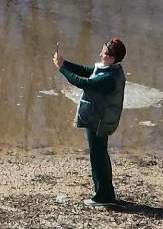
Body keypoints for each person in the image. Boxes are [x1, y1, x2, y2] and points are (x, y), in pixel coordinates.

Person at [53, 37, 126, 206]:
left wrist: (62, 69)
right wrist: (65, 63)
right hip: (98, 118)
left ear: (113, 58)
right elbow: (86, 71)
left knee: (98, 156)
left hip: (99, 121)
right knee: (100, 154)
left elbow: (83, 82)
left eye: (104, 53)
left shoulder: (109, 78)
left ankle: (103, 196)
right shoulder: (111, 70)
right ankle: (105, 192)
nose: (100, 55)